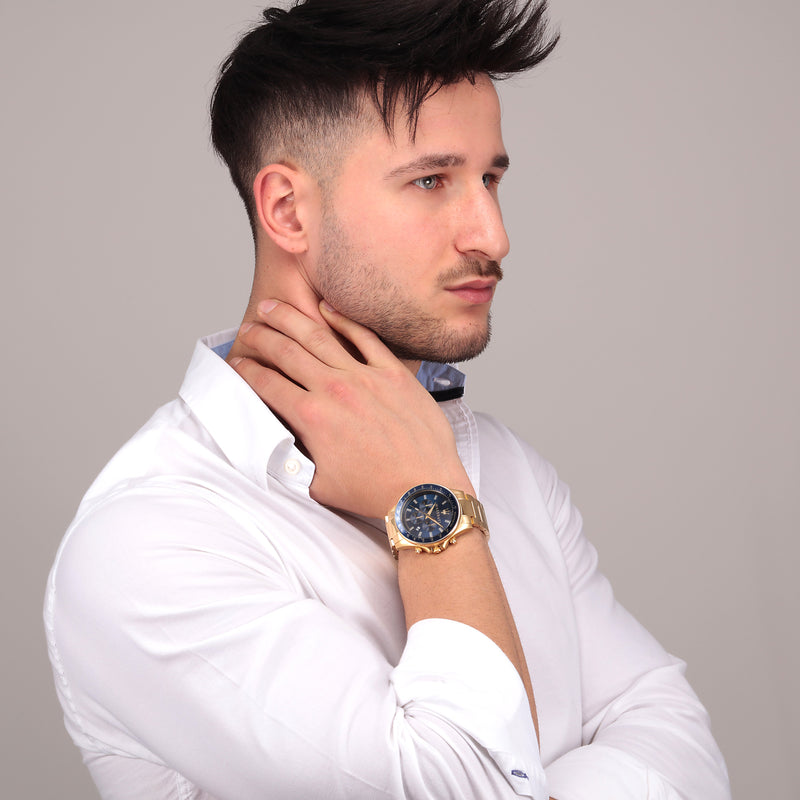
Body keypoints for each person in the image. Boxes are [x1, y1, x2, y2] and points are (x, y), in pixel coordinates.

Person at [44, 2, 731, 798]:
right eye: (432, 180)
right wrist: (427, 501)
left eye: (491, 177)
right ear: (288, 210)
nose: (492, 234)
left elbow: (672, 730)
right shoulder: (151, 540)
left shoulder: (509, 468)